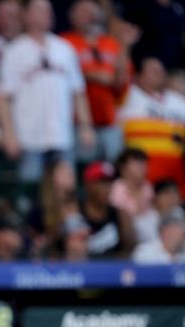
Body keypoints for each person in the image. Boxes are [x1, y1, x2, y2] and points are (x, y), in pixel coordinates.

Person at [0, 0, 95, 183]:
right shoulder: (14, 51)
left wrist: (86, 126)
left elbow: (78, 92)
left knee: (66, 190)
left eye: (48, 9)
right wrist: (9, 133)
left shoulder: (64, 48)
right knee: (30, 192)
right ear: (26, 15)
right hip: (29, 136)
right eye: (40, 9)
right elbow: (2, 97)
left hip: (62, 134)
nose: (47, 13)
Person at [61, 0, 131, 163]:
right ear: (72, 17)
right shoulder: (64, 42)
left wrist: (125, 46)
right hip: (76, 121)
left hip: (109, 119)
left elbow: (120, 81)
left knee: (114, 167)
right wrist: (95, 75)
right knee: (83, 170)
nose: (89, 17)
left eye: (92, 13)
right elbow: (64, 76)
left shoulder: (111, 43)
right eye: (83, 13)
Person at [119, 57, 185, 197]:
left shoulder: (179, 101)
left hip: (175, 177)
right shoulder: (128, 96)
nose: (159, 73)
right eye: (152, 70)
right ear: (138, 76)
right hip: (139, 179)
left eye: (161, 70)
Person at [80, 160, 135, 258]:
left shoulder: (121, 215)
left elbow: (130, 251)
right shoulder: (76, 213)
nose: (107, 188)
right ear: (89, 185)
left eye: (110, 183)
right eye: (102, 183)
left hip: (113, 271)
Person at [109, 148, 153, 228]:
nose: (143, 167)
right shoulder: (117, 188)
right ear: (123, 168)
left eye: (144, 163)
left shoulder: (147, 186)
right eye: (138, 163)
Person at [135, 179, 184, 245]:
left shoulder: (180, 213)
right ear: (156, 197)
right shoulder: (143, 222)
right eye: (166, 193)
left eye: (175, 193)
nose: (172, 197)